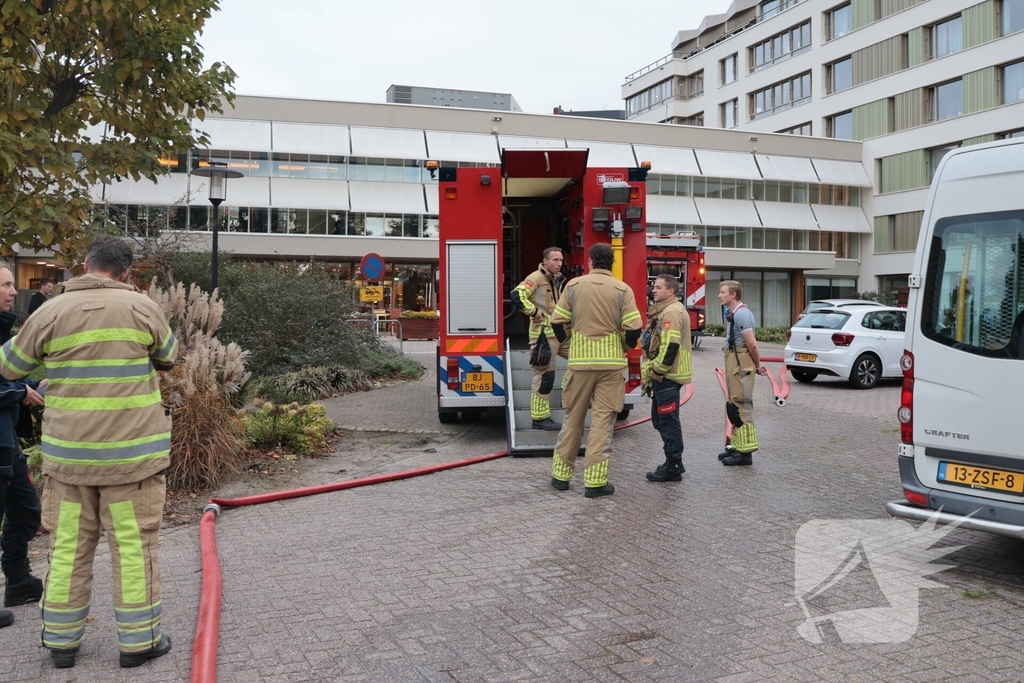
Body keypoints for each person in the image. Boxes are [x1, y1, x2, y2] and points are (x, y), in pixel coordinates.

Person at [0, 236, 178, 669]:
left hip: (70, 464)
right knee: (134, 549)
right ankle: (138, 643)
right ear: (126, 272)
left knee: (69, 550)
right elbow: (169, 357)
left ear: (84, 265)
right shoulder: (142, 307)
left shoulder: (51, 310)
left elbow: (10, 367)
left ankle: (62, 645)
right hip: (131, 463)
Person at [549, 242, 642, 498]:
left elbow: (557, 322)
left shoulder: (574, 286)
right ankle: (595, 483)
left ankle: (561, 477)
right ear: (611, 262)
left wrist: (568, 346)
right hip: (611, 366)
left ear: (590, 261)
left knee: (572, 420)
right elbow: (634, 329)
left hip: (579, 365)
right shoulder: (623, 289)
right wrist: (622, 344)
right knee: (603, 423)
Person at [0, 264, 46, 629]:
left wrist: (36, 384)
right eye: (6, 285)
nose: (13, 291)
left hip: (7, 440)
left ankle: (18, 583)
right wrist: (19, 392)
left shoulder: (4, 330)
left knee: (27, 509)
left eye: (12, 284)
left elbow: (8, 374)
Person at [511, 247, 569, 430]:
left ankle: (573, 401)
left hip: (560, 334)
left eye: (561, 260)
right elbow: (516, 295)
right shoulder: (535, 278)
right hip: (543, 337)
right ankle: (539, 419)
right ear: (545, 261)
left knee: (582, 361)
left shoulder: (556, 279)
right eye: (555, 260)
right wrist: (534, 312)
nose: (559, 264)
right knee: (545, 377)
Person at [642, 274, 692, 482]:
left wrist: (657, 372)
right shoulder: (668, 310)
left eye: (658, 287)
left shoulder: (671, 312)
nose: (653, 290)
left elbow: (670, 347)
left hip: (668, 377)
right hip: (667, 376)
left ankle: (673, 466)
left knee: (668, 421)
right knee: (661, 420)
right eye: (654, 286)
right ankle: (672, 461)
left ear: (670, 291)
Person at [718, 280, 767, 466]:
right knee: (733, 406)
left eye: (723, 292)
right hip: (734, 361)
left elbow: (752, 344)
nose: (719, 295)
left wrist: (757, 364)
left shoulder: (742, 315)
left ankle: (745, 454)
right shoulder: (735, 314)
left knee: (742, 406)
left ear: (733, 295)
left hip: (741, 363)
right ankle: (738, 447)